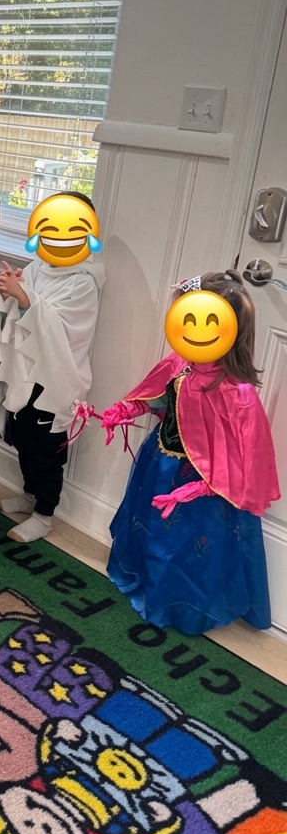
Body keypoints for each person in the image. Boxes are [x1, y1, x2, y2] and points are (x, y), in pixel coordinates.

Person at [101, 271, 277, 634]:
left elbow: (249, 455)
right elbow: (156, 398)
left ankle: (182, 608)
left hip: (201, 485)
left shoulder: (238, 392)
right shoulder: (178, 363)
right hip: (159, 463)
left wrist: (207, 485)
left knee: (183, 545)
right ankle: (148, 586)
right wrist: (124, 410)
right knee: (151, 530)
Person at [0, 192, 104, 543]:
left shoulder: (83, 282)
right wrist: (9, 291)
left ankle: (44, 513)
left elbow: (63, 329)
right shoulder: (37, 268)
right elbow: (21, 309)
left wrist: (25, 297)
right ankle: (30, 496)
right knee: (23, 439)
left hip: (54, 380)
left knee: (45, 449)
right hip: (25, 375)